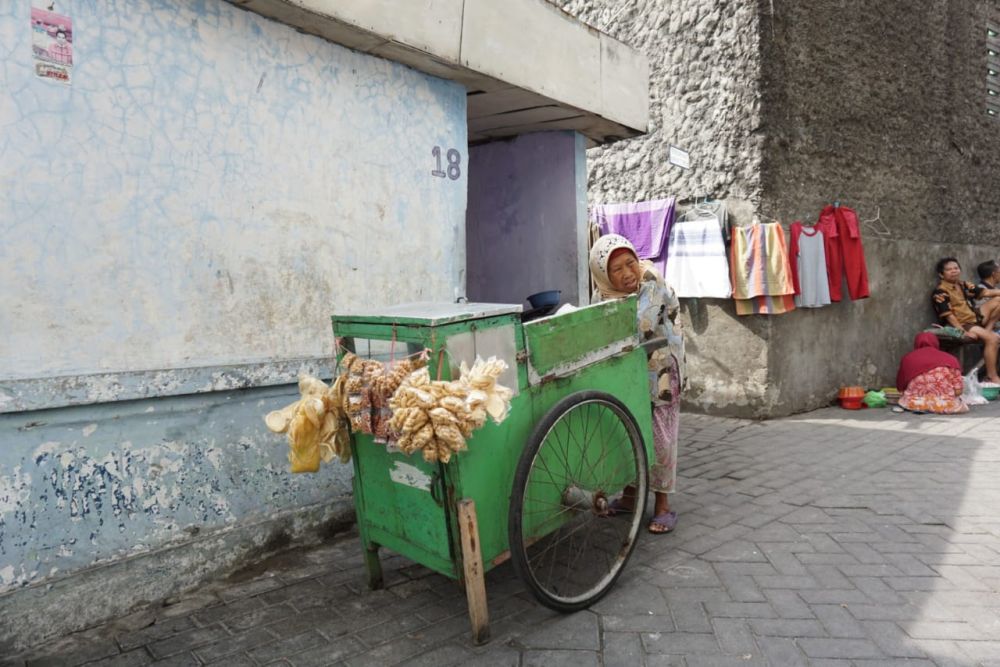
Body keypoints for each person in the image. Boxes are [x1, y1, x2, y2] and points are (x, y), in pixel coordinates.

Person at [589, 234, 685, 534]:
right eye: (616, 269)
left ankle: (662, 505)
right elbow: (595, 323)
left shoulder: (651, 280)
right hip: (628, 372)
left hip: (661, 371)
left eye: (630, 263)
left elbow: (641, 326)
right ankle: (631, 496)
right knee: (629, 431)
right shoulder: (601, 293)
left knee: (660, 438)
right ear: (603, 274)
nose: (627, 273)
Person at [932, 257, 1000, 384]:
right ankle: (992, 376)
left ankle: (988, 329)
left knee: (998, 299)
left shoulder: (963, 285)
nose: (954, 271)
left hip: (975, 318)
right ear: (941, 274)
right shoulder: (940, 291)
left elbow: (986, 292)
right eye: (949, 269)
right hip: (962, 324)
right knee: (994, 339)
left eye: (956, 268)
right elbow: (949, 316)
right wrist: (963, 331)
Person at [896, 332, 967, 414]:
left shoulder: (907, 359)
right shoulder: (951, 360)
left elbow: (900, 387)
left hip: (914, 404)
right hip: (945, 405)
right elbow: (958, 391)